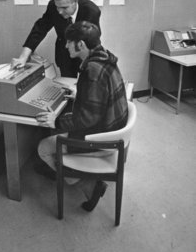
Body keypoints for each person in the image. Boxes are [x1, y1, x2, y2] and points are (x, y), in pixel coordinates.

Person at [35, 21, 128, 212]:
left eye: (69, 42)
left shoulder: (91, 70)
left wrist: (56, 120)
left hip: (101, 138)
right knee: (62, 126)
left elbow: (88, 118)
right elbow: (104, 93)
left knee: (43, 147)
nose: (66, 45)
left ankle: (87, 184)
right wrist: (82, 94)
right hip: (113, 130)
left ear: (81, 45)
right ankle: (78, 174)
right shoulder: (105, 59)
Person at [11, 0, 101, 77]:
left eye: (64, 7)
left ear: (75, 1)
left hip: (85, 53)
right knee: (68, 84)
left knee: (87, 83)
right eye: (58, 6)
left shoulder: (91, 11)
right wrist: (23, 56)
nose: (60, 11)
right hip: (65, 55)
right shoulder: (53, 7)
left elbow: (93, 42)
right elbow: (40, 29)